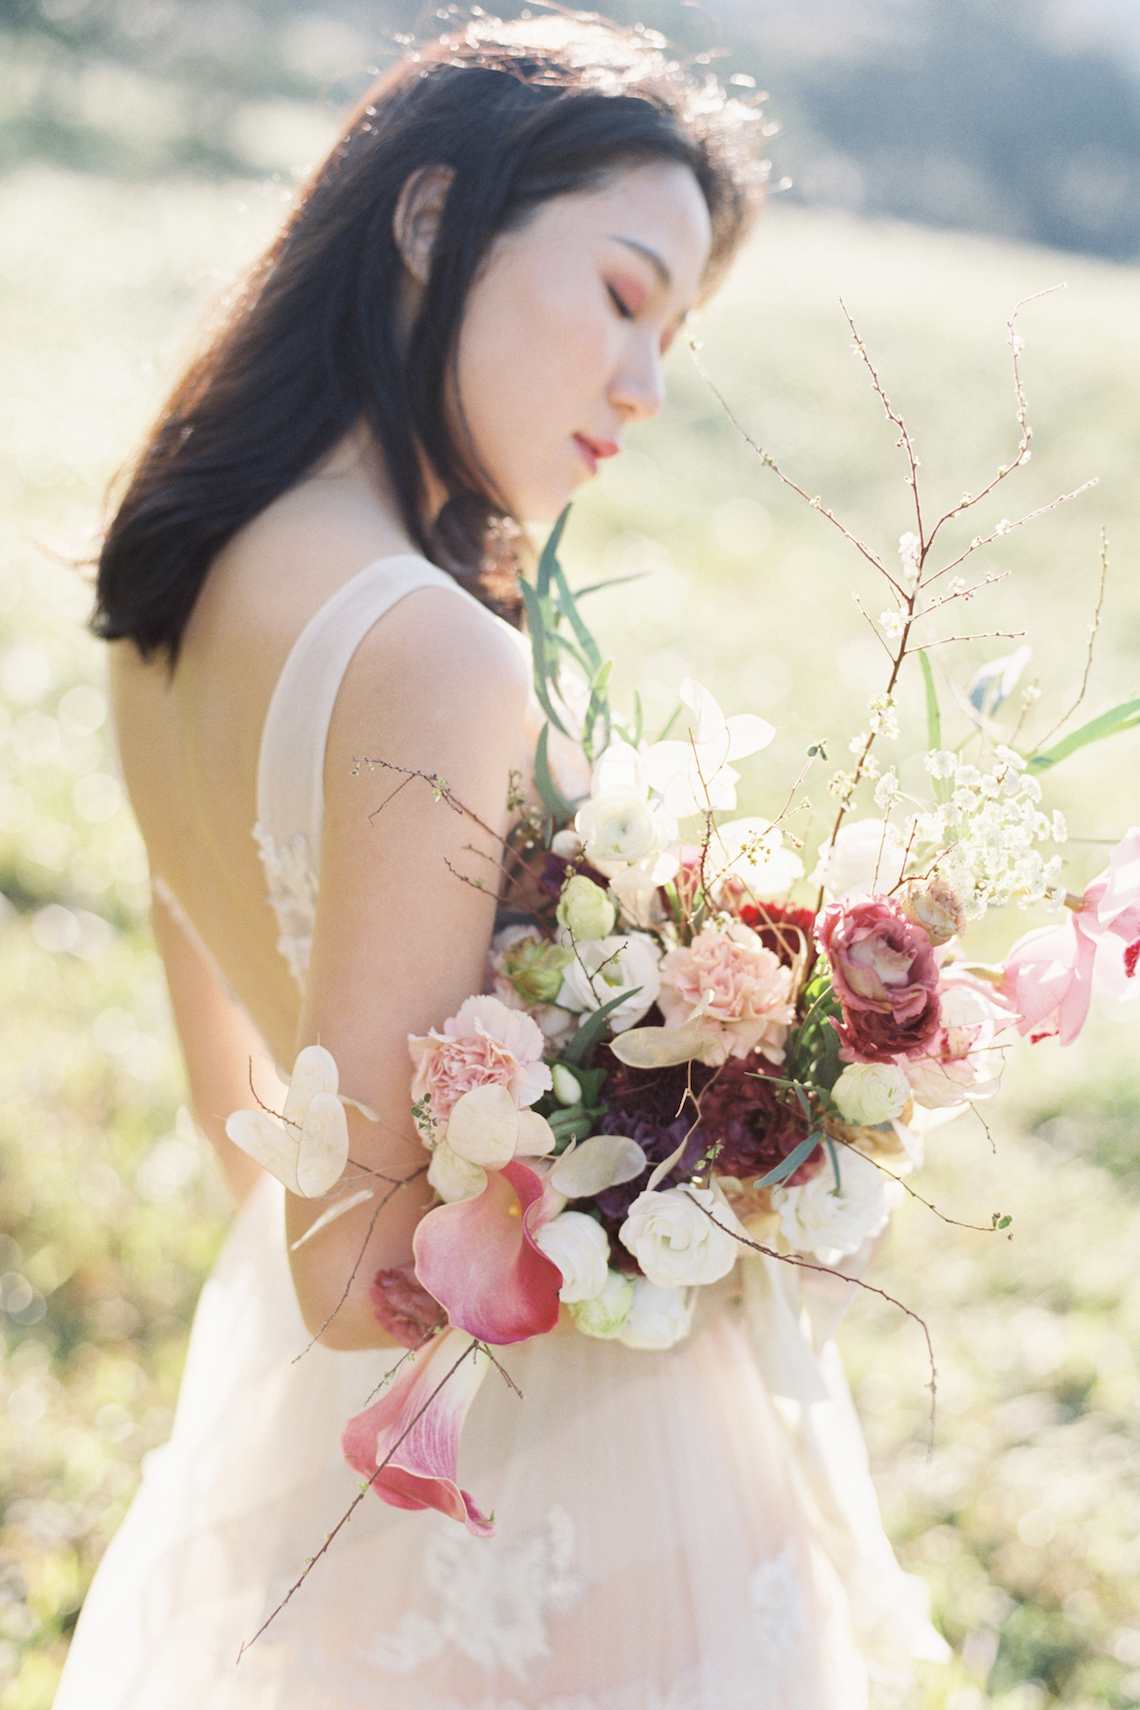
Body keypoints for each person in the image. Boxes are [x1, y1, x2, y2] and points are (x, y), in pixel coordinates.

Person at [52, 15, 947, 1708]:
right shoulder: (436, 650)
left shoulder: (168, 582)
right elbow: (359, 1261)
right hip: (550, 1468)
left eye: (675, 333)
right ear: (426, 218)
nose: (648, 386)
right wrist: (724, 1139)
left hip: (334, 1447)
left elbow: (236, 1124)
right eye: (622, 295)